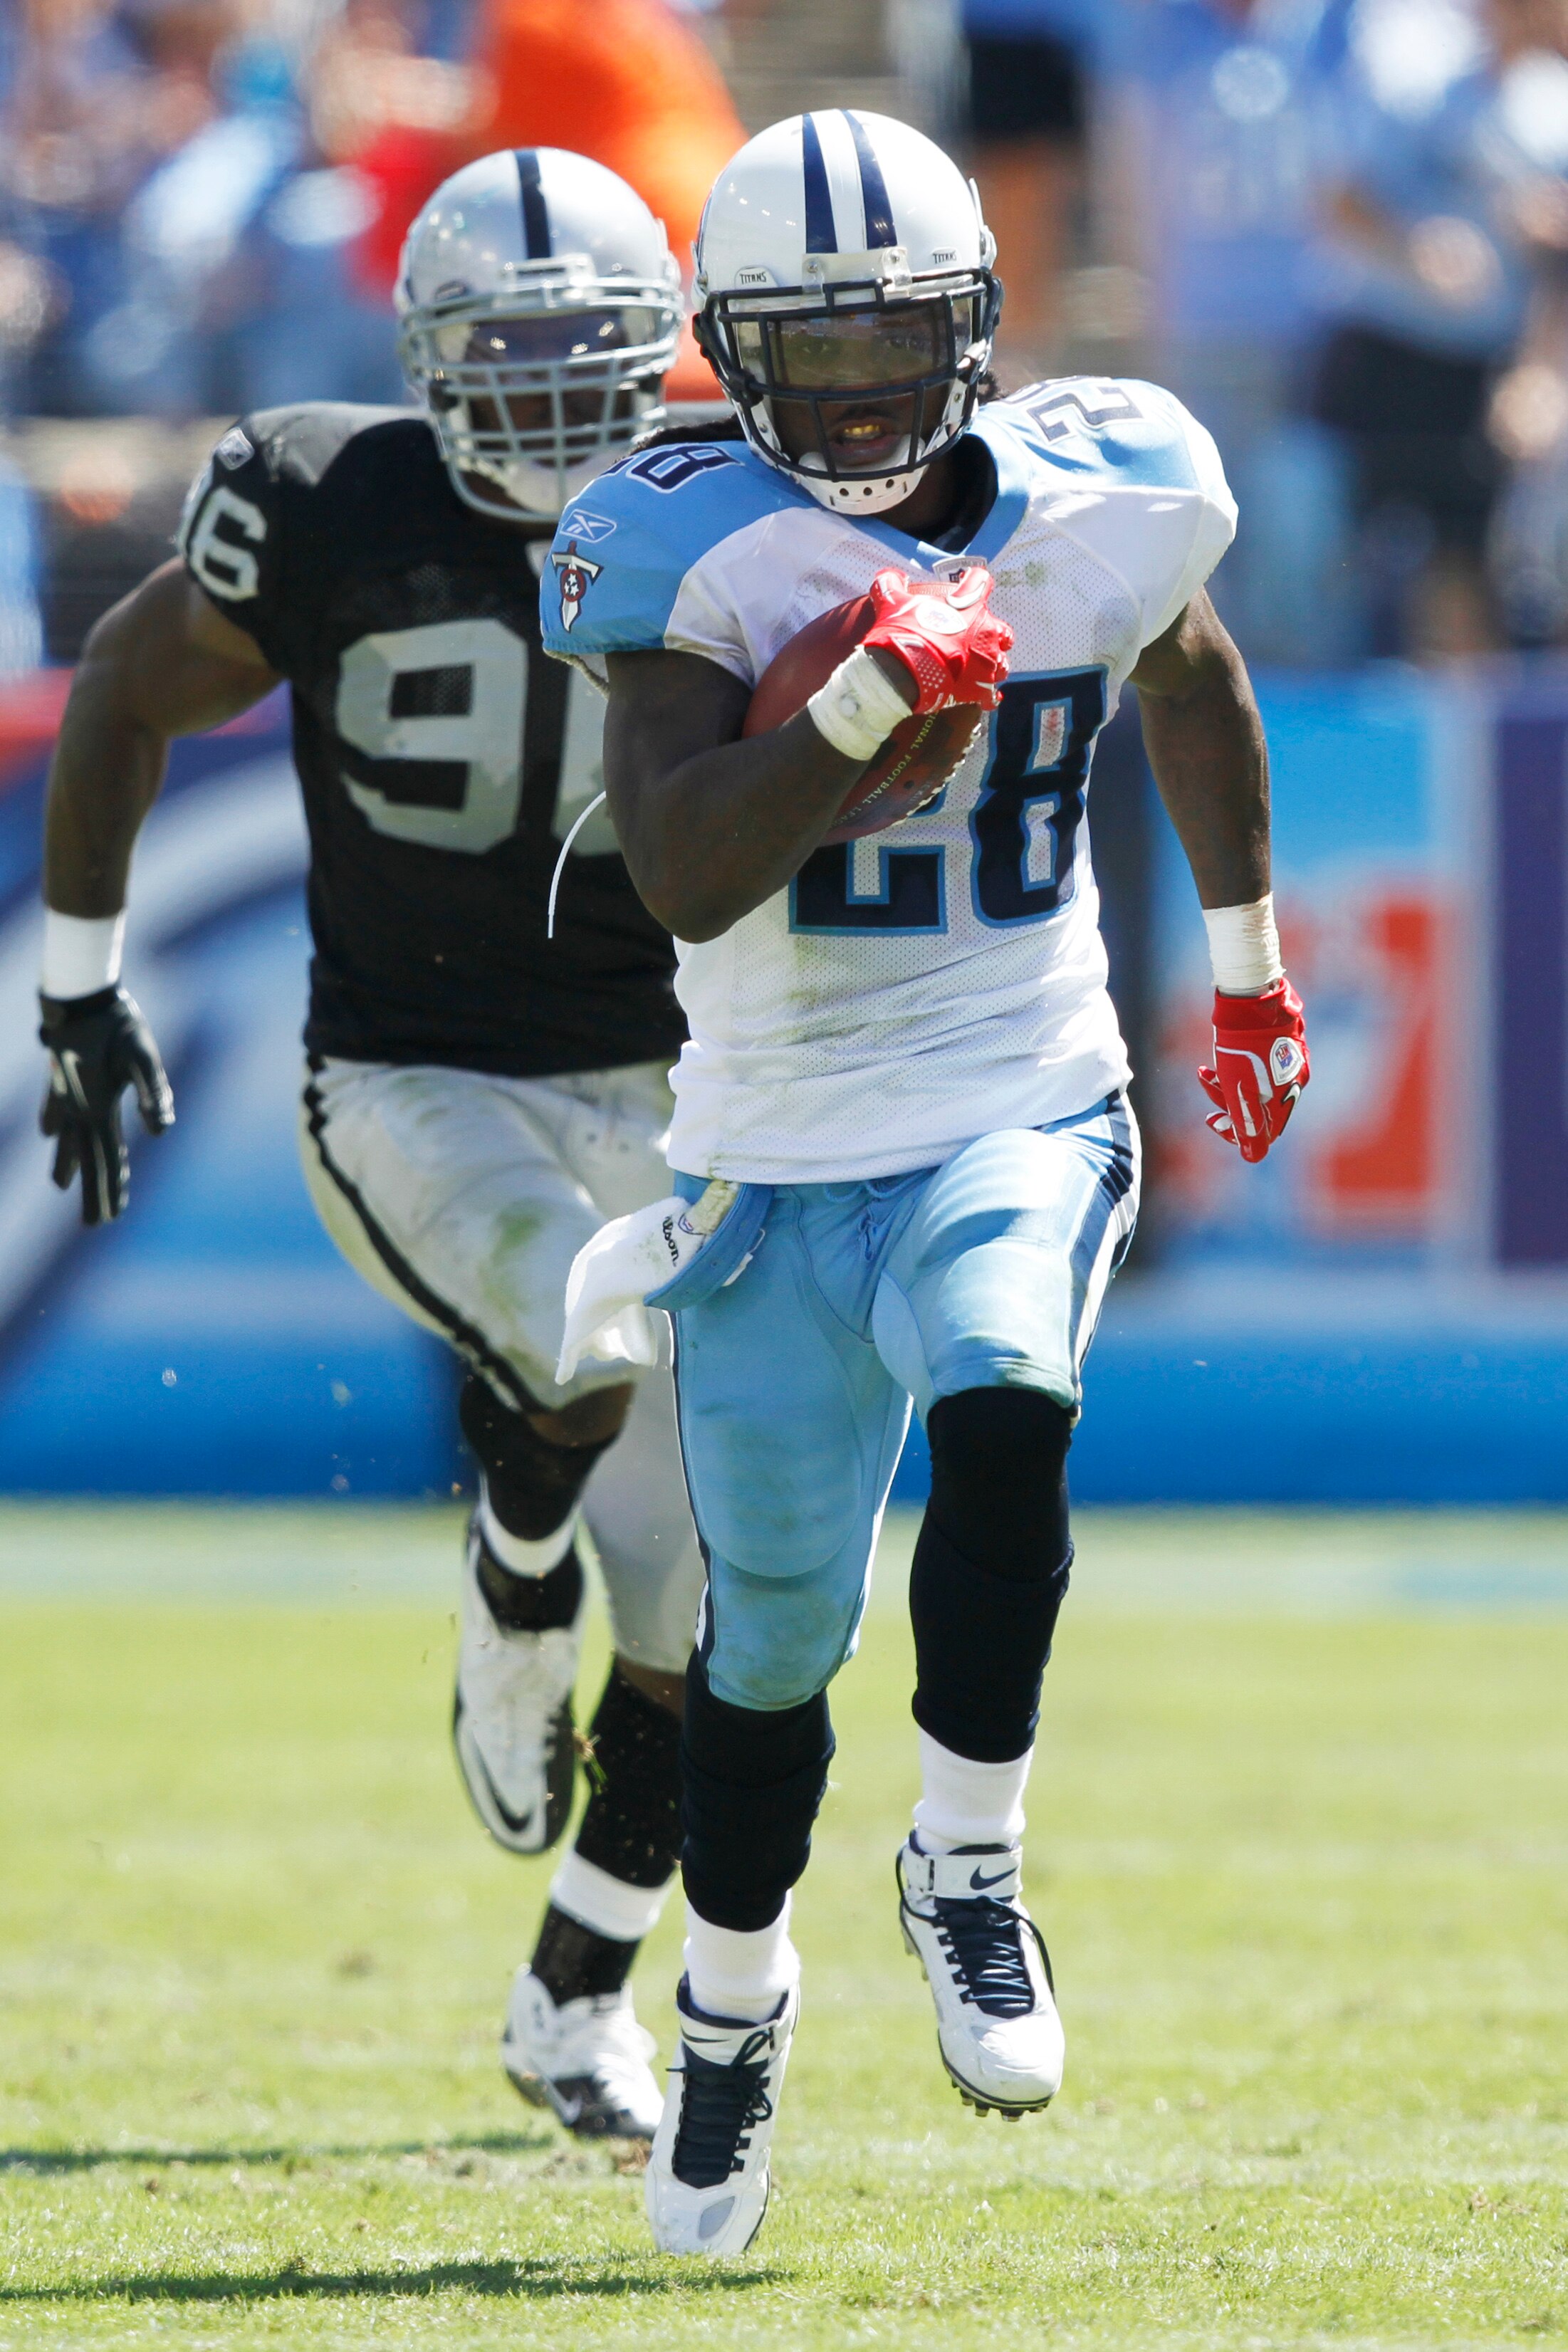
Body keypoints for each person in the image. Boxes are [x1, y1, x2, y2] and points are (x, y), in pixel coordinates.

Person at [540, 107, 1312, 2256]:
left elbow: (1193, 673)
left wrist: (1246, 973)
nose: (866, 383)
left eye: (902, 334)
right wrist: (864, 696)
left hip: (1015, 1088)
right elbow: (688, 872)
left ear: (980, 323)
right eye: (818, 340)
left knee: (1007, 1398)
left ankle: (967, 1862)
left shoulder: (1114, 486)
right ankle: (728, 2014)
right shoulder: (681, 539)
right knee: (766, 1645)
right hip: (773, 1154)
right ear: (730, 349)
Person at [35, 147, 708, 2143]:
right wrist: (77, 983)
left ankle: (576, 2007)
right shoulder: (331, 504)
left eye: (589, 357)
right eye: (505, 357)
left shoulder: (732, 503)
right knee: (579, 1350)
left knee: (725, 1620)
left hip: (685, 1094)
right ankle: (514, 1588)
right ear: (424, 361)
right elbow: (122, 694)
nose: (550, 400)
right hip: (416, 1082)